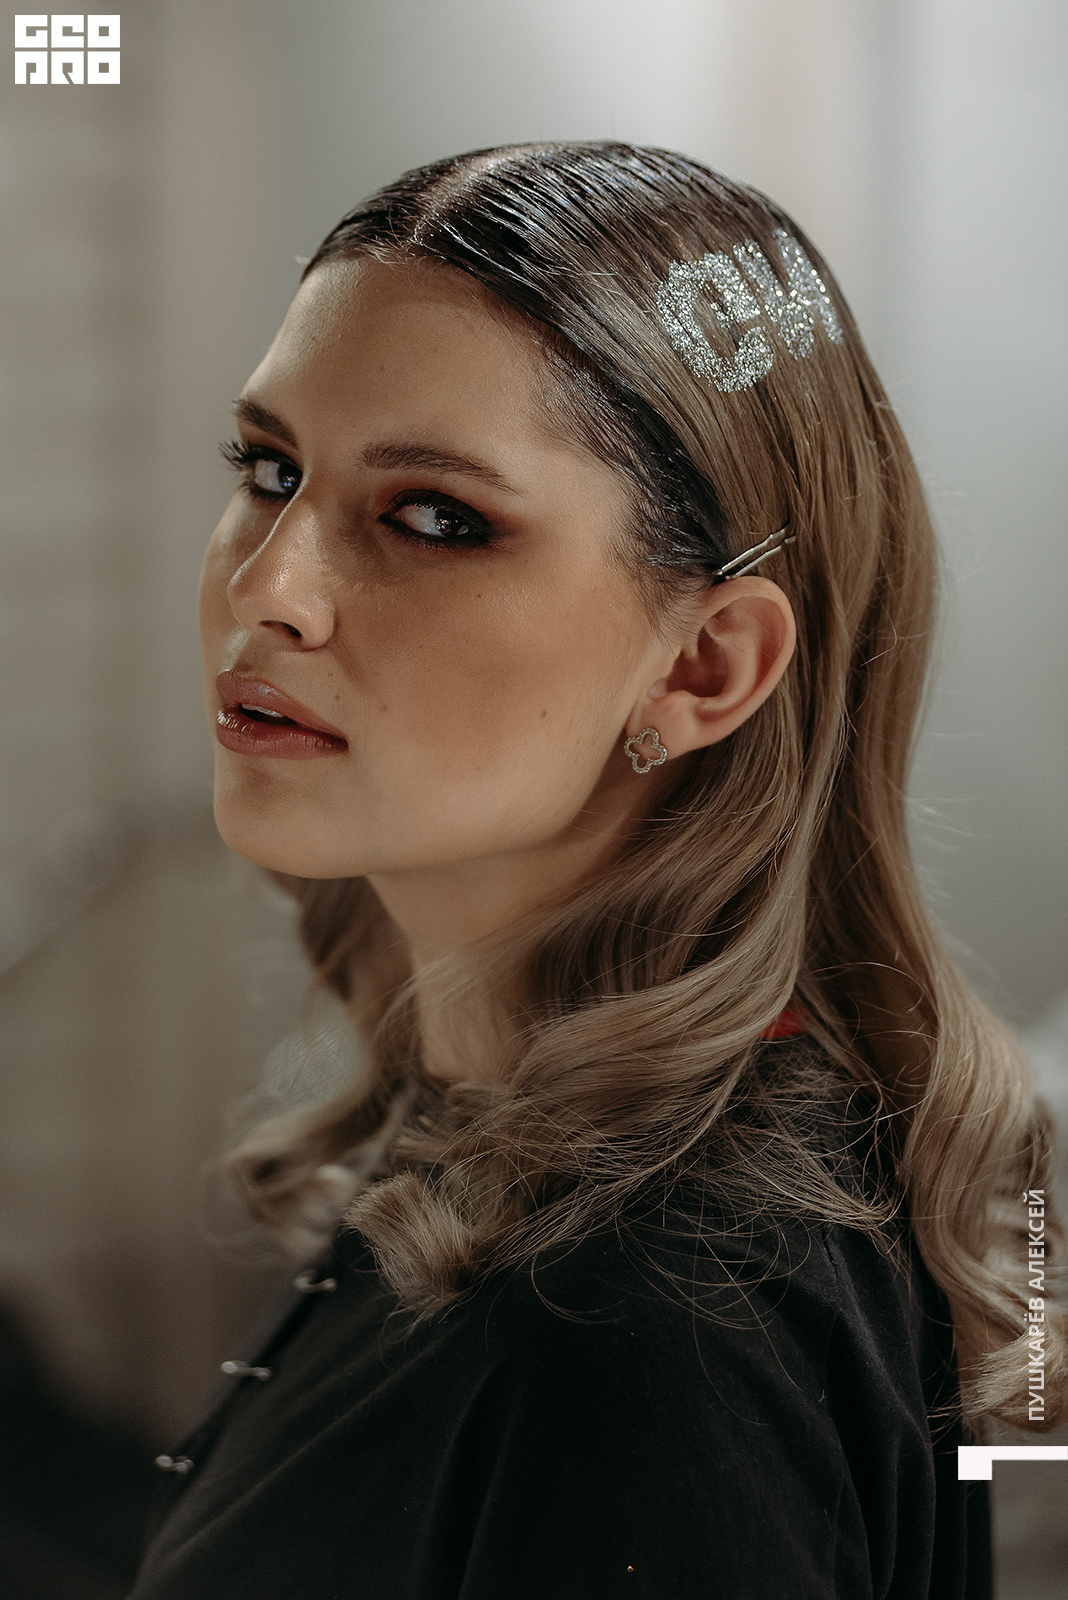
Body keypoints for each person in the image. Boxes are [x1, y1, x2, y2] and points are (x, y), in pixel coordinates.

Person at [129, 142, 1065, 1599]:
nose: (268, 588)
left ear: (704, 667)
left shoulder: (654, 1321)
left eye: (433, 517)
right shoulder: (519, 1130)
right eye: (270, 470)